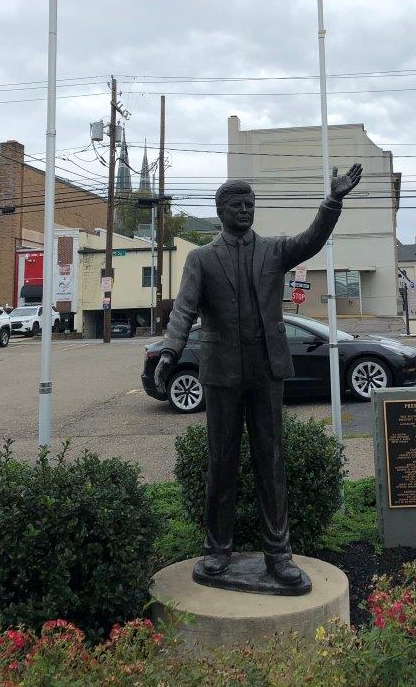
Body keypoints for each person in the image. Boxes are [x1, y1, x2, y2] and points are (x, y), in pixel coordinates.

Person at [154, 164, 362, 586]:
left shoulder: (273, 250)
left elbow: (311, 240)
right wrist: (169, 350)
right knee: (221, 462)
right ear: (221, 211)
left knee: (271, 460)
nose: (246, 209)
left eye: (250, 203)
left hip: (268, 368)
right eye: (237, 204)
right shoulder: (201, 259)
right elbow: (183, 310)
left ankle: (278, 553)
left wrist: (333, 200)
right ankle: (217, 550)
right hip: (222, 371)